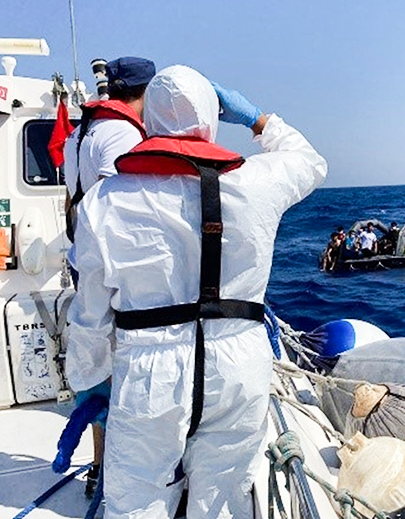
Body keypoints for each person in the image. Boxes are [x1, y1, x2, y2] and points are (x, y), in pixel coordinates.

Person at [65, 65, 327, 518]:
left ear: (150, 122)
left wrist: (89, 383)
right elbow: (309, 161)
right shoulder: (256, 184)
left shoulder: (104, 201)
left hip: (149, 376)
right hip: (240, 369)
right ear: (211, 116)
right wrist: (256, 119)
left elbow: (89, 316)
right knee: (224, 502)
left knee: (136, 504)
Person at [62, 55, 156, 498]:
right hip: (111, 271)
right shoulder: (120, 132)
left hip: (84, 263)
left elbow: (74, 203)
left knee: (99, 366)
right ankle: (118, 471)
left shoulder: (79, 133)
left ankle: (100, 467)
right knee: (124, 366)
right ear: (145, 93)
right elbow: (116, 203)